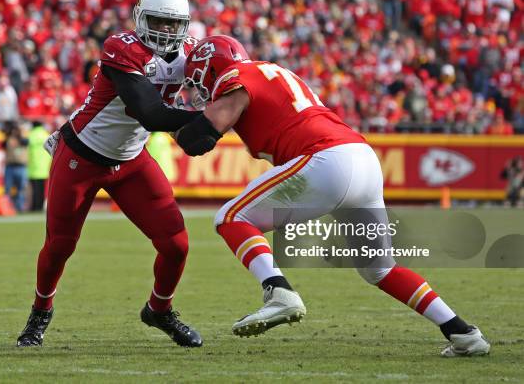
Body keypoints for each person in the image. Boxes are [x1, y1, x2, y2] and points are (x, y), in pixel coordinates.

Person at [175, 35, 490, 357]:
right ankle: (463, 333)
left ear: (212, 69)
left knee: (231, 217)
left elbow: (200, 137)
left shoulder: (236, 77)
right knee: (379, 268)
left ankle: (278, 291)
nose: (201, 93)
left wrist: (162, 119)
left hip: (326, 160)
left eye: (199, 82)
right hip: (362, 158)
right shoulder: (273, 72)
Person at [17, 0, 203, 348]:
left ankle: (159, 310)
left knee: (176, 243)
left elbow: (227, 81)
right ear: (140, 19)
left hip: (131, 159)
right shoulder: (122, 48)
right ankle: (40, 311)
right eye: (157, 21)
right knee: (60, 245)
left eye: (172, 24)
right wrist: (207, 120)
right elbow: (149, 112)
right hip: (82, 156)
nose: (165, 30)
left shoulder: (192, 53)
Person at [2, 124, 29, 213]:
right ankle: (6, 208)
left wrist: (19, 134)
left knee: (21, 189)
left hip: (21, 167)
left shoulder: (22, 139)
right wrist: (9, 133)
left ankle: (19, 207)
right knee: (7, 189)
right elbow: (2, 144)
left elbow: (25, 142)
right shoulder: (9, 139)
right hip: (10, 166)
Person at [27, 122, 52, 212]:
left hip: (34, 167)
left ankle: (34, 207)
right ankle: (40, 207)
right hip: (44, 167)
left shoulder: (31, 135)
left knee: (34, 190)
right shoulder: (46, 135)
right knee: (41, 190)